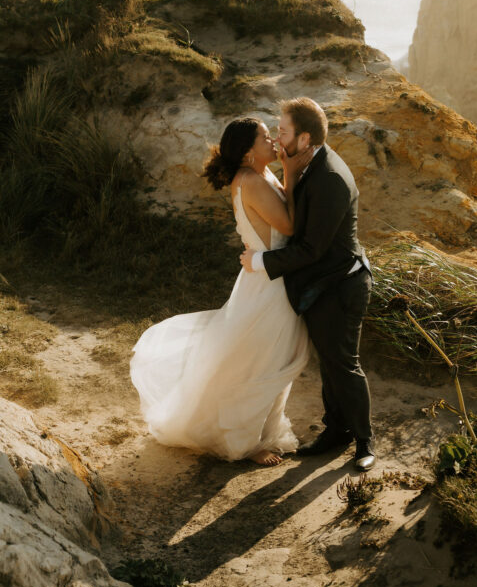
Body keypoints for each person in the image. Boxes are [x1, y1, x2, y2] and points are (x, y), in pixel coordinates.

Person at [129, 117, 312, 466]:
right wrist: (291, 173)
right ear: (247, 152)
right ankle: (245, 442)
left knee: (270, 357)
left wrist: (286, 173)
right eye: (264, 137)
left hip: (270, 276)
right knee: (261, 361)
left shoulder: (259, 174)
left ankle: (262, 432)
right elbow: (289, 225)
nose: (272, 140)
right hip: (267, 285)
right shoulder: (250, 180)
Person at [240, 97, 375, 472]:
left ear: (305, 138)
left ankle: (365, 442)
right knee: (330, 363)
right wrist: (288, 171)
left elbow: (311, 248)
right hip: (323, 284)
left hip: (342, 284)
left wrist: (261, 261)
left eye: (282, 132)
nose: (278, 139)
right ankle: (336, 431)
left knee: (344, 364)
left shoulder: (329, 178)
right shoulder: (306, 164)